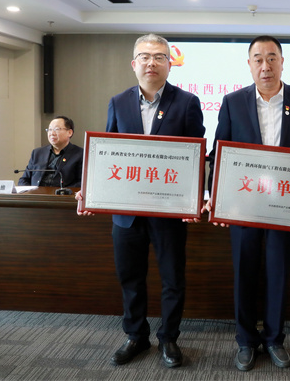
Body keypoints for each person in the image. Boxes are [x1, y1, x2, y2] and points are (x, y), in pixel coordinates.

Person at [204, 35, 290, 372]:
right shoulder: (233, 102)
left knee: (278, 273)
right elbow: (219, 154)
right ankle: (245, 341)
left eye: (271, 58)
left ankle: (275, 339)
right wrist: (215, 198)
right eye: (258, 59)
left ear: (282, 61)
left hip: (285, 207)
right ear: (249, 64)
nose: (265, 66)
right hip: (243, 205)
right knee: (244, 272)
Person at [76, 34, 205, 368]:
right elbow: (106, 152)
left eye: (159, 57)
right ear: (134, 64)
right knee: (130, 277)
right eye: (145, 57)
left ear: (170, 64)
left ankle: (169, 338)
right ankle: (136, 336)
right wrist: (89, 189)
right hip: (126, 213)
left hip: (169, 212)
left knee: (172, 279)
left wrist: (194, 198)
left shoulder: (187, 102)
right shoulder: (118, 102)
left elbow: (196, 156)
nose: (151, 63)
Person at [18, 115, 83, 187]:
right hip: (36, 193)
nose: (52, 133)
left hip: (62, 193)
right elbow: (24, 179)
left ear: (69, 132)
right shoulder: (37, 153)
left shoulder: (80, 154)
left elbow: (82, 183)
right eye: (49, 129)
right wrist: (30, 192)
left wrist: (64, 191)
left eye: (57, 129)